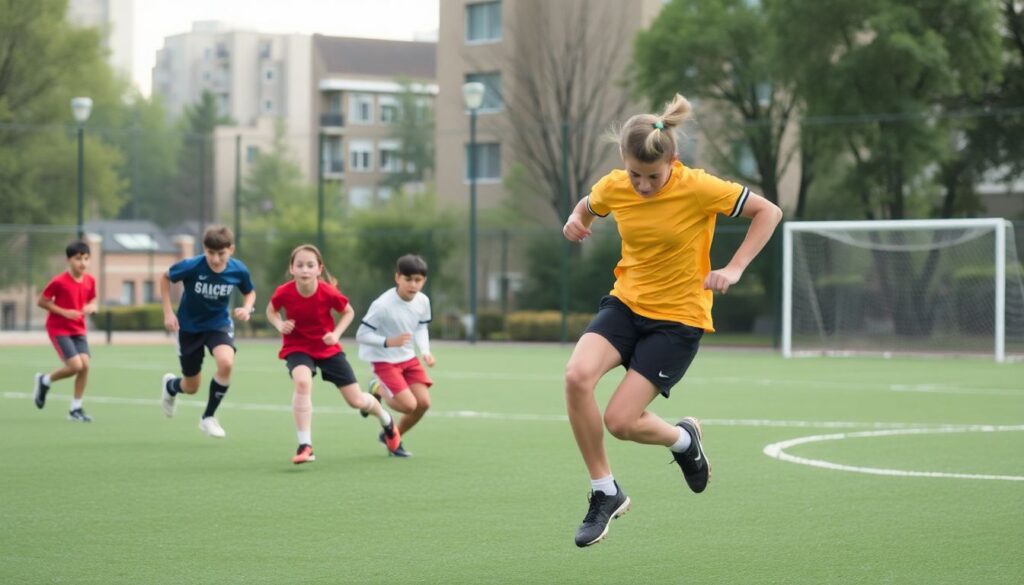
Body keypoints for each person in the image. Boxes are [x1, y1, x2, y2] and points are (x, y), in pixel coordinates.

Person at [561, 94, 783, 547]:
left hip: (677, 319)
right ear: (623, 163)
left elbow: (769, 212)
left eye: (653, 177)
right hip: (626, 304)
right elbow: (588, 204)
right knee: (576, 376)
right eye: (634, 175)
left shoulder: (698, 186)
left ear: (673, 162)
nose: (642, 186)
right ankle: (605, 491)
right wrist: (575, 220)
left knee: (620, 422)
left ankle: (683, 441)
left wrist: (734, 268)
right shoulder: (614, 185)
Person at [267, 244, 402, 464]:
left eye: (310, 265)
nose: (305, 269)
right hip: (297, 347)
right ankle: (305, 445)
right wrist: (279, 324)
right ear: (291, 268)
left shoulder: (328, 292)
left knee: (356, 401)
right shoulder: (284, 292)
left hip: (327, 348)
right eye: (299, 265)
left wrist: (336, 334)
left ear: (319, 269)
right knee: (302, 382)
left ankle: (386, 421)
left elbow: (348, 312)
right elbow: (271, 310)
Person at [158, 225, 255, 438]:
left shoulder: (238, 270)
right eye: (211, 253)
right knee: (191, 387)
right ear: (204, 248)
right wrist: (168, 313)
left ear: (231, 249)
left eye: (221, 253)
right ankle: (171, 386)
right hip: (189, 328)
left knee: (226, 363)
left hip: (218, 324)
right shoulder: (192, 266)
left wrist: (247, 308)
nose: (216, 259)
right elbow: (165, 278)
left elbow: (249, 292)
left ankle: (208, 417)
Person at [355, 254, 435, 458]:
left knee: (423, 404)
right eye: (408, 279)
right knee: (408, 406)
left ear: (424, 280)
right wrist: (388, 342)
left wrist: (425, 351)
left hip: (408, 357)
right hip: (384, 359)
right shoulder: (382, 305)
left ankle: (391, 436)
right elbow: (361, 335)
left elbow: (421, 327)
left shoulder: (423, 301)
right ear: (397, 277)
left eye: (418, 280)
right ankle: (376, 386)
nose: (413, 285)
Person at [33, 240, 98, 422]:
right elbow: (42, 302)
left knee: (85, 366)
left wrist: (92, 307)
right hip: (59, 328)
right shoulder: (59, 281)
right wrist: (65, 312)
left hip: (78, 328)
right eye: (78, 259)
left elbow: (93, 300)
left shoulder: (90, 280)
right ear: (68, 260)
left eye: (86, 258)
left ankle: (75, 409)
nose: (83, 263)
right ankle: (44, 380)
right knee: (76, 366)